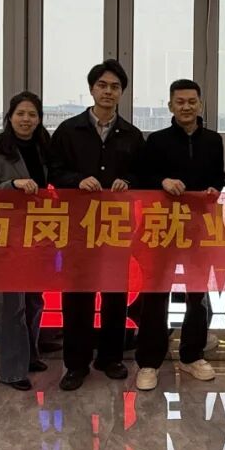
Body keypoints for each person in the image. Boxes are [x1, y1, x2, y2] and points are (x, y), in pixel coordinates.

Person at [49, 59, 144, 390]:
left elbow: (143, 175)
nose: (108, 91)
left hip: (117, 226)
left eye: (115, 87)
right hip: (78, 227)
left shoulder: (132, 135)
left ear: (121, 93)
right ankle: (76, 364)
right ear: (91, 89)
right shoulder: (68, 131)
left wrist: (128, 181)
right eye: (102, 85)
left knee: (115, 293)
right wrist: (76, 180)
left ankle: (110, 357)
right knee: (78, 295)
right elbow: (53, 170)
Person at [134, 79, 225, 391]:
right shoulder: (156, 140)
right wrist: (162, 181)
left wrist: (214, 189)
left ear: (200, 104)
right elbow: (142, 178)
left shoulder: (213, 141)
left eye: (191, 102)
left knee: (196, 295)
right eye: (180, 102)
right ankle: (149, 361)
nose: (186, 107)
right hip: (162, 228)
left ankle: (192, 355)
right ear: (170, 105)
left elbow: (218, 178)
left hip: (199, 229)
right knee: (155, 293)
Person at [0, 91, 52, 392]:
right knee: (14, 304)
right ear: (9, 117)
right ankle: (11, 370)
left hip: (42, 232)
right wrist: (13, 184)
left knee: (35, 299)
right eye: (20, 114)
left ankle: (31, 354)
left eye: (32, 114)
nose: (26, 119)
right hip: (10, 236)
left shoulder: (46, 146)